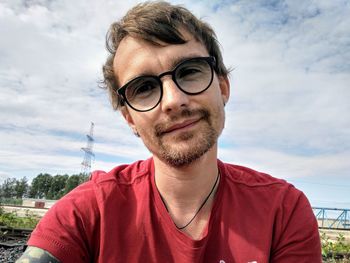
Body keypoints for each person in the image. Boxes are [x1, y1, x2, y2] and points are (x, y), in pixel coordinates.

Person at [17, 1, 322, 262]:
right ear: (130, 119)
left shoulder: (283, 212)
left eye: (189, 71)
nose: (174, 101)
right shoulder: (85, 214)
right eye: (145, 87)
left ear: (223, 87)